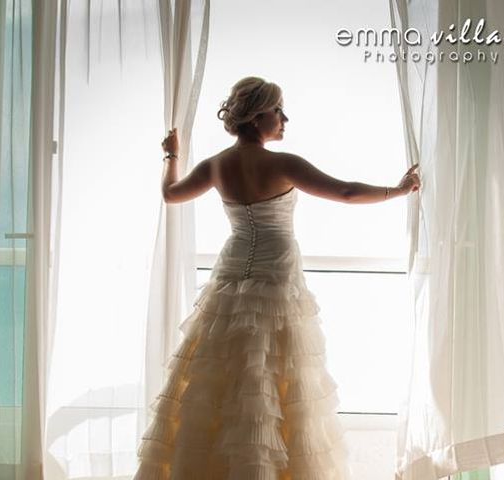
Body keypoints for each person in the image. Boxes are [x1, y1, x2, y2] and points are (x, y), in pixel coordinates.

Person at [134, 76, 421, 480]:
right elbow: (346, 193)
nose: (284, 118)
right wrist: (401, 189)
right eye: (278, 110)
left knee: (222, 372)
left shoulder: (216, 165)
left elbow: (170, 194)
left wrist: (171, 156)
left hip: (232, 272)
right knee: (274, 372)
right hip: (274, 276)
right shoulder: (282, 164)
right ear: (256, 117)